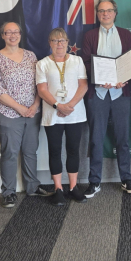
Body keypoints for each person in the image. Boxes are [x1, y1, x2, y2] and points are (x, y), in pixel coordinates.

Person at [80, 0, 131, 197]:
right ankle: (94, 181)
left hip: (120, 92)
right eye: (101, 11)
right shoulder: (89, 35)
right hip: (98, 92)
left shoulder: (125, 34)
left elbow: (130, 61)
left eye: (109, 10)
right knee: (96, 139)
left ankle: (126, 178)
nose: (105, 14)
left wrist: (125, 79)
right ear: (97, 14)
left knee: (123, 138)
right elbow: (86, 63)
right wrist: (99, 79)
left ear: (115, 13)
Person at [0, 22, 50, 209]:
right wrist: (19, 108)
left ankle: (32, 186)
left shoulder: (31, 56)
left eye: (16, 32)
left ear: (21, 34)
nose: (13, 35)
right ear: (3, 35)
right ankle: (8, 192)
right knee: (10, 153)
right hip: (7, 113)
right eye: (8, 32)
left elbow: (40, 83)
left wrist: (35, 105)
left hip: (32, 112)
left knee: (30, 151)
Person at [37, 27, 90, 206]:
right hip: (52, 114)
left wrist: (69, 106)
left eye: (62, 40)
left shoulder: (77, 60)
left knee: (73, 150)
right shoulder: (42, 63)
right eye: (55, 40)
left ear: (67, 43)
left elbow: (83, 85)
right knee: (55, 150)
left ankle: (73, 187)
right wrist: (59, 106)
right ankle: (58, 188)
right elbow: (42, 90)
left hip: (75, 113)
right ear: (49, 43)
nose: (59, 44)